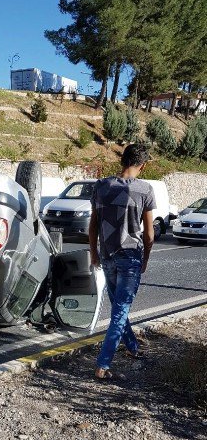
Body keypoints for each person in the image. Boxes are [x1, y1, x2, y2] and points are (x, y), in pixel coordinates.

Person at [89, 143, 155, 379]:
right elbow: (149, 235)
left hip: (107, 255)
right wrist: (145, 259)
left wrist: (93, 253)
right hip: (130, 257)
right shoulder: (145, 190)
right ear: (143, 165)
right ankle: (103, 365)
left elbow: (93, 224)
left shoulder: (101, 186)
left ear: (122, 160)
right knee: (120, 310)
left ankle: (133, 347)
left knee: (119, 307)